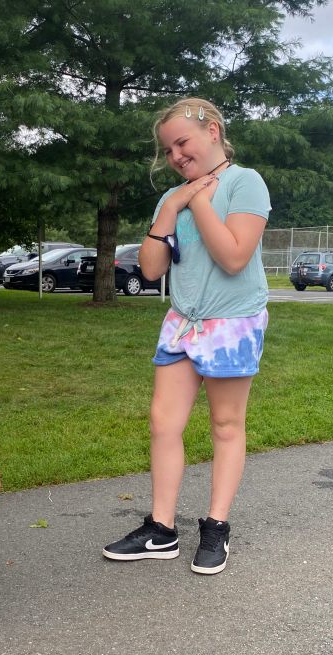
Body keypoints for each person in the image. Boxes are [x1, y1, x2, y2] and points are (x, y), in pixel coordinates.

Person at [102, 97, 271, 575]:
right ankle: (161, 530)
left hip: (232, 323)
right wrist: (172, 206)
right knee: (163, 423)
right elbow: (151, 270)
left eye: (182, 143)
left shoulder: (245, 183)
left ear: (212, 130)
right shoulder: (171, 198)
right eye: (168, 150)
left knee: (226, 424)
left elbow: (234, 257)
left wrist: (195, 200)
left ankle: (216, 527)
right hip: (182, 322)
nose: (175, 156)